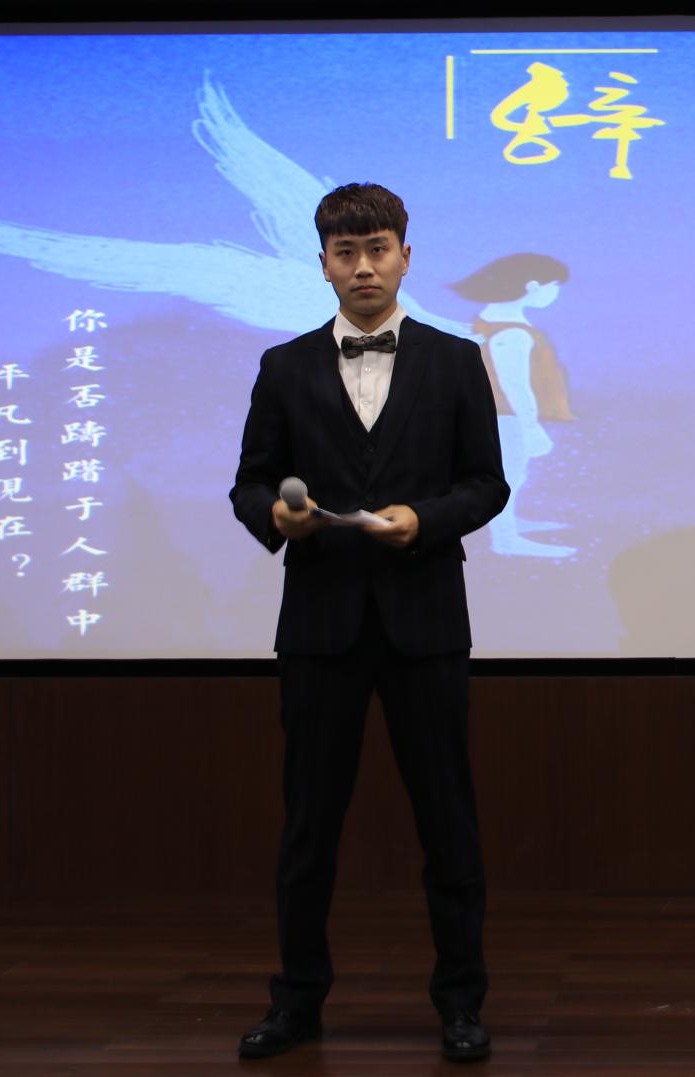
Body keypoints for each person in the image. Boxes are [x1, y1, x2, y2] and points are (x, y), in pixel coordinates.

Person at [229, 182, 508, 1063]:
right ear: (322, 263)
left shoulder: (456, 360)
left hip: (426, 622)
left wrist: (424, 519)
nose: (363, 267)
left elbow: (486, 484)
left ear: (405, 257)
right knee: (308, 827)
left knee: (448, 824)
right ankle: (296, 1002)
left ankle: (461, 1004)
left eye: (378, 249)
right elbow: (250, 482)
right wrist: (277, 517)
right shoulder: (283, 366)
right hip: (321, 626)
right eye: (345, 252)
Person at [451, 253, 576, 559]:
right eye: (553, 286)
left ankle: (508, 523)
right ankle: (505, 538)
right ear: (532, 286)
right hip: (505, 416)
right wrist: (531, 428)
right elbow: (515, 386)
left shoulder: (491, 320)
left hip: (494, 414)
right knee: (509, 475)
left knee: (511, 473)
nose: (555, 293)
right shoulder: (512, 332)